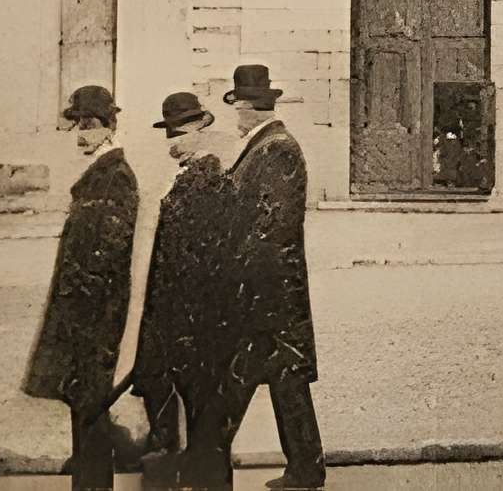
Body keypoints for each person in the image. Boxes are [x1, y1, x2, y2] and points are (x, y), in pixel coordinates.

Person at [24, 85, 140, 491]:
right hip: (84, 314)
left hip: (95, 316)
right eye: (78, 126)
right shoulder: (98, 174)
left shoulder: (116, 176)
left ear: (109, 127)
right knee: (85, 407)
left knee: (90, 407)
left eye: (88, 126)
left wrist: (83, 303)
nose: (81, 135)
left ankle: (95, 484)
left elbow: (110, 251)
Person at [135, 89, 244, 491]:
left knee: (204, 410)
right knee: (183, 402)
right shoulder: (186, 177)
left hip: (198, 318)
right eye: (169, 134)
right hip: (177, 314)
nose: (173, 143)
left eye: (180, 133)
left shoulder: (210, 179)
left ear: (200, 129)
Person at [224, 62, 325, 491]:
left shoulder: (277, 148)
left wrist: (239, 272)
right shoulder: (264, 145)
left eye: (237, 108)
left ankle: (206, 463)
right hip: (270, 292)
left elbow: (272, 227)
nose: (235, 116)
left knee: (275, 381)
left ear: (250, 108)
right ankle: (305, 469)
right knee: (285, 382)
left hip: (271, 294)